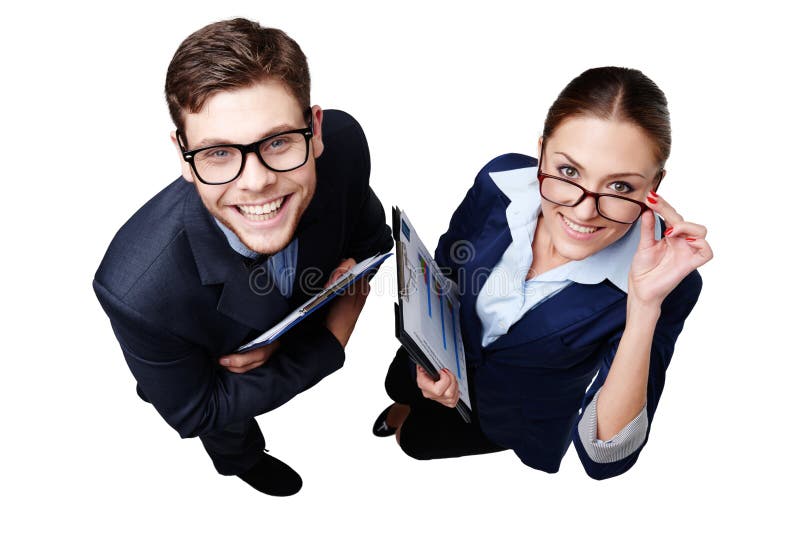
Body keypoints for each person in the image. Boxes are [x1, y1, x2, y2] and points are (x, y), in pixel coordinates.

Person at [93, 18, 392, 496]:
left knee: (175, 374)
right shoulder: (137, 293)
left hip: (265, 322)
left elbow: (372, 236)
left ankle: (165, 370)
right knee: (207, 411)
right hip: (200, 346)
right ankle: (239, 458)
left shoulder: (346, 145)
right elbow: (198, 413)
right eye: (217, 153)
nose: (256, 182)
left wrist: (339, 282)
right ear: (183, 153)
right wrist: (337, 329)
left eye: (278, 142)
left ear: (315, 131)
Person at [372, 66, 713, 479]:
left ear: (654, 186)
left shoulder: (667, 281)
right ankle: (403, 403)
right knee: (399, 386)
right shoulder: (499, 181)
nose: (584, 211)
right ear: (541, 154)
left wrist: (642, 304)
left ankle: (405, 424)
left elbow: (605, 457)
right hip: (433, 353)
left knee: (415, 442)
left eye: (621, 187)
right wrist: (425, 357)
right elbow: (447, 266)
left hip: (507, 416)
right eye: (569, 172)